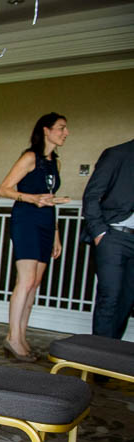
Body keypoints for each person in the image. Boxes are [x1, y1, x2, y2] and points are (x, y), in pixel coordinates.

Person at [0, 113, 71, 361]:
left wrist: (56, 235)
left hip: (46, 224)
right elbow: (4, 188)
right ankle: (12, 337)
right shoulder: (30, 158)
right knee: (26, 281)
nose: (65, 133)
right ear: (46, 130)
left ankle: (21, 335)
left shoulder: (55, 163)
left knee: (35, 284)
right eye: (61, 128)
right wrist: (32, 198)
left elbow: (49, 199)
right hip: (26, 221)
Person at [82, 138, 134, 339]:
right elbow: (92, 195)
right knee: (109, 297)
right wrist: (100, 233)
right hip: (113, 237)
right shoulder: (117, 154)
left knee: (126, 301)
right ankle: (98, 362)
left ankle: (110, 358)